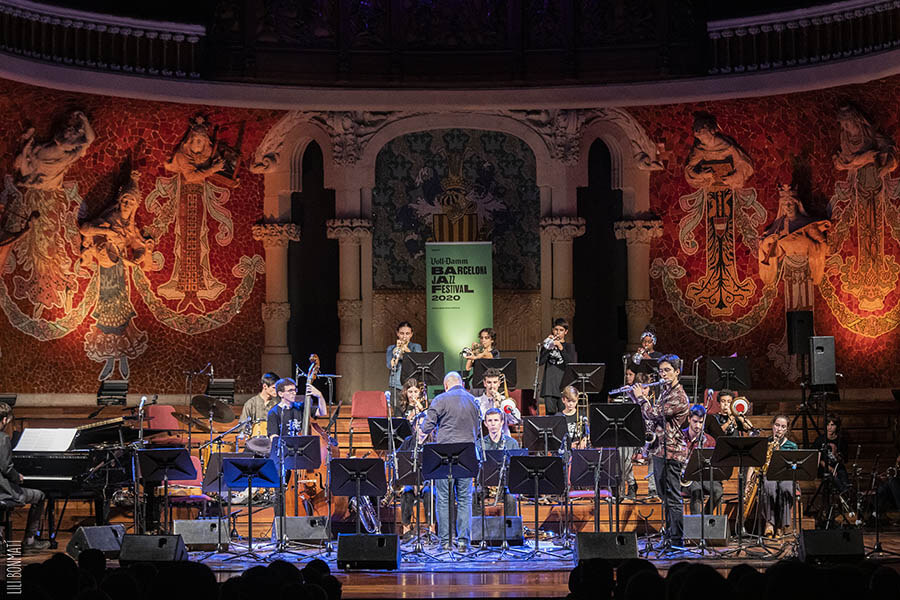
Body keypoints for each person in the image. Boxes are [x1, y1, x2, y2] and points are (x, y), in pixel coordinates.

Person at [627, 354, 690, 546]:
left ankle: (677, 538)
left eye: (667, 370)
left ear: (677, 372)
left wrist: (642, 398)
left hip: (673, 451)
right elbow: (649, 416)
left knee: (672, 497)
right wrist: (633, 395)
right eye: (661, 370)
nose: (663, 374)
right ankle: (670, 535)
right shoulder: (664, 392)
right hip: (660, 451)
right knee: (664, 496)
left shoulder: (678, 396)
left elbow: (653, 414)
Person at [420, 371, 482, 552]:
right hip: (467, 455)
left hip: (444, 456)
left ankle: (445, 542)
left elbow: (426, 426)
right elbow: (477, 429)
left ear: (446, 385)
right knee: (464, 499)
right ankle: (463, 542)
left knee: (444, 499)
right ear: (461, 384)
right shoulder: (473, 401)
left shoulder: (440, 399)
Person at [0, 402, 50, 552]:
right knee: (40, 496)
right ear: (4, 420)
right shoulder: (3, 438)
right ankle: (29, 540)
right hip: (3, 491)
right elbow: (6, 468)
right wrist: (18, 478)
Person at [473, 408, 519, 518]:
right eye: (490, 421)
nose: (493, 424)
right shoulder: (479, 444)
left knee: (511, 498)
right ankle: (477, 529)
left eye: (496, 420)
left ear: (502, 422)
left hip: (505, 485)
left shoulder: (511, 443)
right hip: (485, 486)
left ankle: (511, 531)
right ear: (485, 424)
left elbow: (517, 469)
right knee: (473, 495)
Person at [760, 415, 798, 537]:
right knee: (769, 485)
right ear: (772, 426)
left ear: (787, 429)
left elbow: (795, 467)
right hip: (769, 475)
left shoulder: (792, 446)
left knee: (786, 487)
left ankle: (781, 524)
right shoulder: (765, 443)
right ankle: (769, 523)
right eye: (777, 425)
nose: (779, 429)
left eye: (783, 427)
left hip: (785, 476)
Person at [397, 413, 432, 540]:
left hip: (429, 482)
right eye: (419, 425)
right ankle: (406, 529)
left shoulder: (434, 442)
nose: (422, 428)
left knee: (429, 493)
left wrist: (423, 484)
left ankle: (431, 528)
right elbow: (399, 459)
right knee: (407, 492)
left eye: (425, 425)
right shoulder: (408, 441)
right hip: (411, 480)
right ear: (414, 427)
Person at [682, 405, 723, 515]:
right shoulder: (679, 437)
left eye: (701, 422)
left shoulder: (709, 440)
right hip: (685, 478)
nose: (698, 426)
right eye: (695, 421)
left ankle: (705, 517)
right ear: (689, 419)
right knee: (696, 490)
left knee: (718, 491)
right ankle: (697, 526)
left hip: (704, 476)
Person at [538, 318, 577, 416]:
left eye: (561, 330)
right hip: (549, 387)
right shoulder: (547, 346)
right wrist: (548, 347)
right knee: (550, 415)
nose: (558, 332)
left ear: (566, 332)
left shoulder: (569, 347)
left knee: (564, 415)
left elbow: (571, 364)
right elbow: (540, 362)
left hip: (563, 387)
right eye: (556, 329)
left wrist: (561, 348)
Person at [386, 321, 423, 415]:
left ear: (411, 334)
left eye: (407, 333)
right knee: (398, 414)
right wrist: (397, 354)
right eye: (402, 333)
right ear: (397, 334)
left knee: (413, 413)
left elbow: (418, 364)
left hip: (412, 386)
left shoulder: (416, 347)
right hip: (396, 385)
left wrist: (407, 351)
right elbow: (390, 366)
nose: (404, 336)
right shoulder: (391, 348)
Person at [475, 368, 521, 437]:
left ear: (499, 383)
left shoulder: (505, 401)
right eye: (489, 382)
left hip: (504, 440)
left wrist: (501, 403)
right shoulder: (477, 402)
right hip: (484, 441)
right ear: (484, 383)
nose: (492, 386)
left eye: (495, 382)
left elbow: (516, 420)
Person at [813, 413, 850, 493]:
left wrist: (835, 453)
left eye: (832, 425)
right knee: (833, 478)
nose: (829, 427)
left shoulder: (841, 441)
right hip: (824, 469)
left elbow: (844, 459)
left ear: (837, 426)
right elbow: (816, 458)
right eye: (827, 425)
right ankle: (844, 493)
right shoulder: (820, 440)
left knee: (844, 479)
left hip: (838, 467)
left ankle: (846, 495)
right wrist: (829, 468)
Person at [239, 372, 279, 437]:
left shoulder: (278, 404)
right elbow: (243, 424)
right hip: (255, 440)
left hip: (273, 440)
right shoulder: (251, 403)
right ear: (265, 386)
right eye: (274, 388)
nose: (276, 390)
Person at [557, 386, 587, 451]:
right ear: (563, 400)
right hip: (564, 452)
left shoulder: (582, 415)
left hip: (579, 451)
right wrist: (568, 446)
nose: (570, 404)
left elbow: (586, 433)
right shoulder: (558, 417)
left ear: (577, 401)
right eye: (568, 401)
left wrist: (584, 440)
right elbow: (555, 440)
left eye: (573, 401)